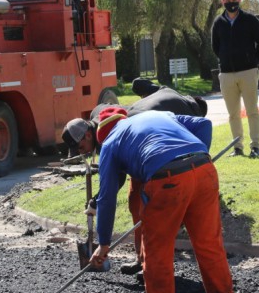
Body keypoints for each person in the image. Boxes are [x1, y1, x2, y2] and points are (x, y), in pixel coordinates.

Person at [63, 107, 245, 293]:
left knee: (157, 252)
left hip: (166, 179)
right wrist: (195, 161)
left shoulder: (109, 143)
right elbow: (203, 124)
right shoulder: (161, 115)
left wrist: (104, 242)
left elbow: (107, 197)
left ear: (99, 135)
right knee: (210, 245)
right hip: (204, 170)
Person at [74, 86, 209, 277]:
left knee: (157, 218)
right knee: (135, 202)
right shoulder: (103, 116)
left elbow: (112, 188)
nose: (82, 153)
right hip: (144, 156)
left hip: (161, 160)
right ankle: (142, 258)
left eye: (81, 147)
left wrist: (104, 242)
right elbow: (112, 184)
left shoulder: (113, 138)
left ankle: (155, 272)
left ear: (89, 136)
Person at [211, 0, 259, 158]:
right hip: (227, 74)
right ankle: (237, 147)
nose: (231, 4)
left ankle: (255, 147)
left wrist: (253, 61)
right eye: (227, 1)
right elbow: (215, 47)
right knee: (233, 114)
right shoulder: (218, 22)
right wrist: (225, 59)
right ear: (222, 2)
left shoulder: (250, 20)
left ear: (239, 0)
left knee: (252, 111)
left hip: (248, 72)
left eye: (233, 0)